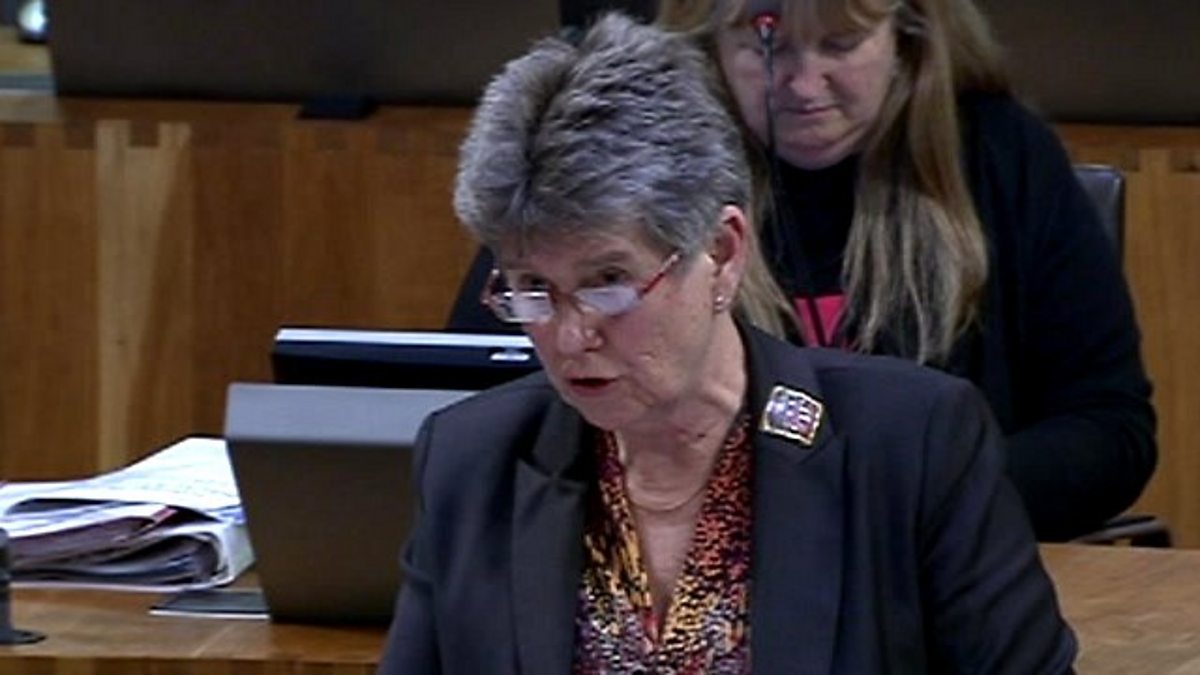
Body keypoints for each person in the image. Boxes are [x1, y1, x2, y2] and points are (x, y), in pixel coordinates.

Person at [379, 13, 1075, 673]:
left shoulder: (913, 447)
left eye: (608, 281)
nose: (569, 334)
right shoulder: (473, 463)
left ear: (721, 251)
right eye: (533, 287)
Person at [446, 0, 1157, 542]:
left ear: (908, 37)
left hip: (937, 567)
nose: (803, 84)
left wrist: (918, 501)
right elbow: (484, 402)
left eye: (840, 45)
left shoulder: (1003, 157)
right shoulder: (631, 169)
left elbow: (1109, 430)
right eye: (768, 46)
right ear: (708, 43)